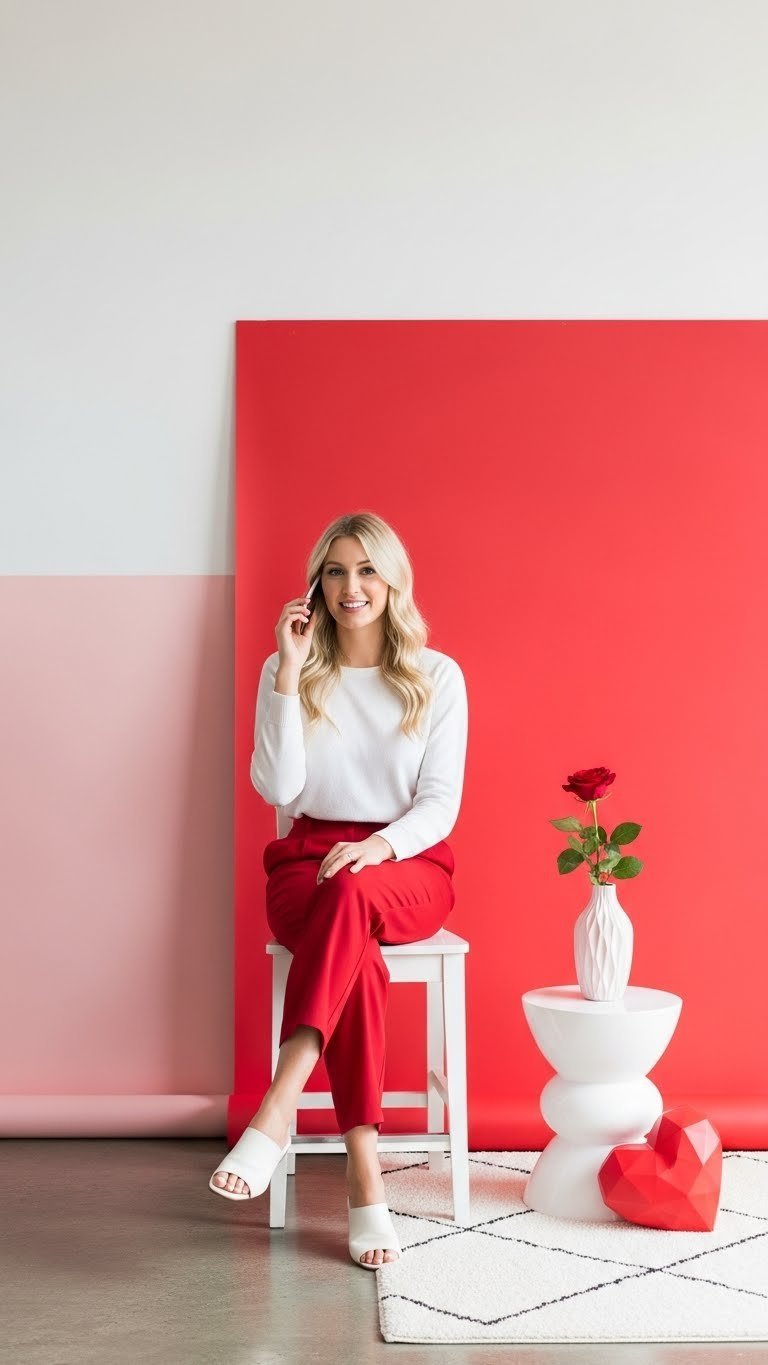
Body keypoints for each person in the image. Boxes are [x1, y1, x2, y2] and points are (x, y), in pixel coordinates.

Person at [209, 511, 468, 1269]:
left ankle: (276, 1106)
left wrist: (378, 846)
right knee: (357, 951)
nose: (350, 587)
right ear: (316, 584)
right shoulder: (284, 669)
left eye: (366, 571)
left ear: (392, 582)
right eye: (334, 571)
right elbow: (278, 785)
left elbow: (441, 801)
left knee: (353, 895)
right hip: (305, 860)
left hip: (406, 862)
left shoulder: (437, 675)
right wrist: (289, 674)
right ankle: (365, 1175)